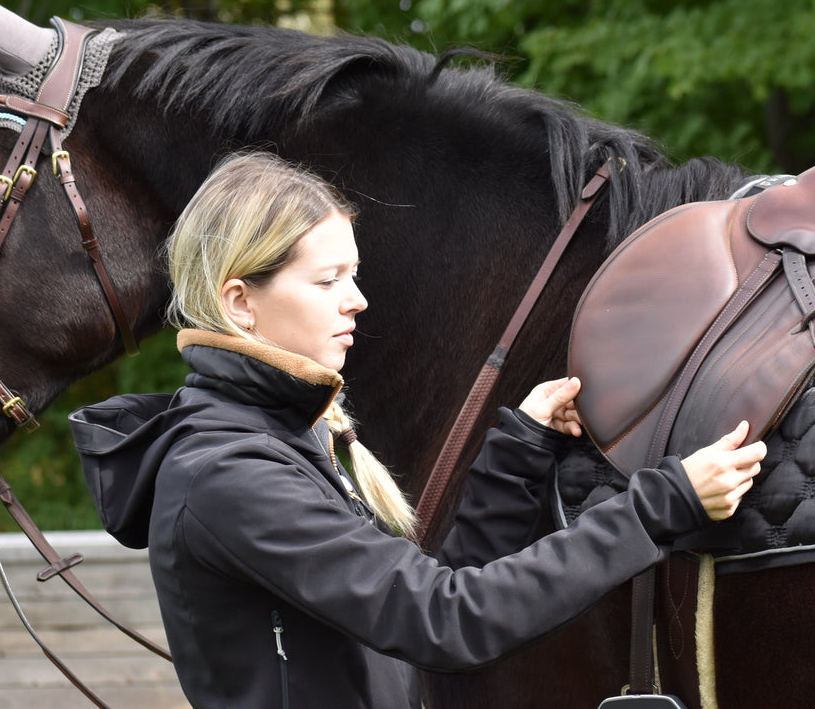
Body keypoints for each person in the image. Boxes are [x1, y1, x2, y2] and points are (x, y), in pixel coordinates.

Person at [70, 151, 767, 709]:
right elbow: (448, 621)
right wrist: (660, 506)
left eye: (354, 273)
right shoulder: (228, 475)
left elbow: (433, 589)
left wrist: (518, 451)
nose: (357, 299)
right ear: (239, 302)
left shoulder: (286, 436)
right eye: (327, 281)